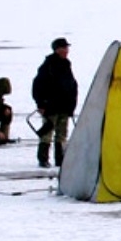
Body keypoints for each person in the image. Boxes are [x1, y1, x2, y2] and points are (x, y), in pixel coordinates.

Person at [31, 38, 78, 168]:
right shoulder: (48, 66)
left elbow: (71, 85)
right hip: (50, 107)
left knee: (62, 135)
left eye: (67, 48)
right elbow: (37, 86)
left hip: (64, 106)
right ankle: (43, 159)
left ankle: (60, 159)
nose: (66, 51)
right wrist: (41, 104)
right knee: (47, 134)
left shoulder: (66, 64)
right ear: (57, 50)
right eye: (64, 48)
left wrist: (71, 105)